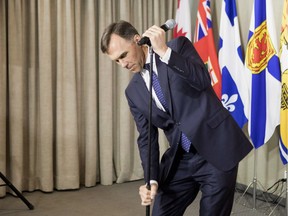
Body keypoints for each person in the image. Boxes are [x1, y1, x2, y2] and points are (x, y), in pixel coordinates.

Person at [100, 20, 253, 216]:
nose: (122, 64)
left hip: (216, 148)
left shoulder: (177, 47)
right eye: (116, 61)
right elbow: (147, 138)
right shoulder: (133, 92)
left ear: (138, 41)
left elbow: (202, 80)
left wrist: (164, 51)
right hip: (181, 158)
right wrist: (151, 181)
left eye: (123, 56)